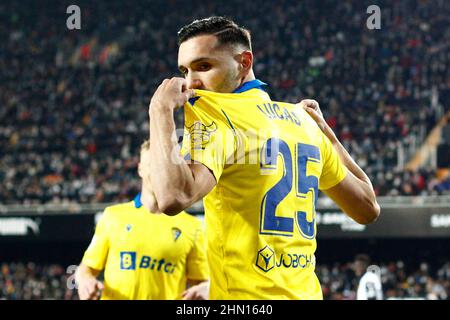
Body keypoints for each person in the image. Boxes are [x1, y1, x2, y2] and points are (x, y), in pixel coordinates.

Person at [147, 16, 380, 299]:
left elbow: (173, 197)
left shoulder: (217, 116)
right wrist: (327, 134)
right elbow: (367, 207)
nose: (191, 82)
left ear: (244, 62)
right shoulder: (303, 121)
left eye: (204, 66)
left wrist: (159, 111)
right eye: (185, 70)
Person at [75, 140, 209, 300]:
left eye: (165, 164)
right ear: (140, 169)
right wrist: (85, 281)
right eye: (152, 163)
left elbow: (202, 283)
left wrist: (207, 289)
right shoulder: (113, 216)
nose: (159, 170)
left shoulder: (192, 227)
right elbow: (86, 268)